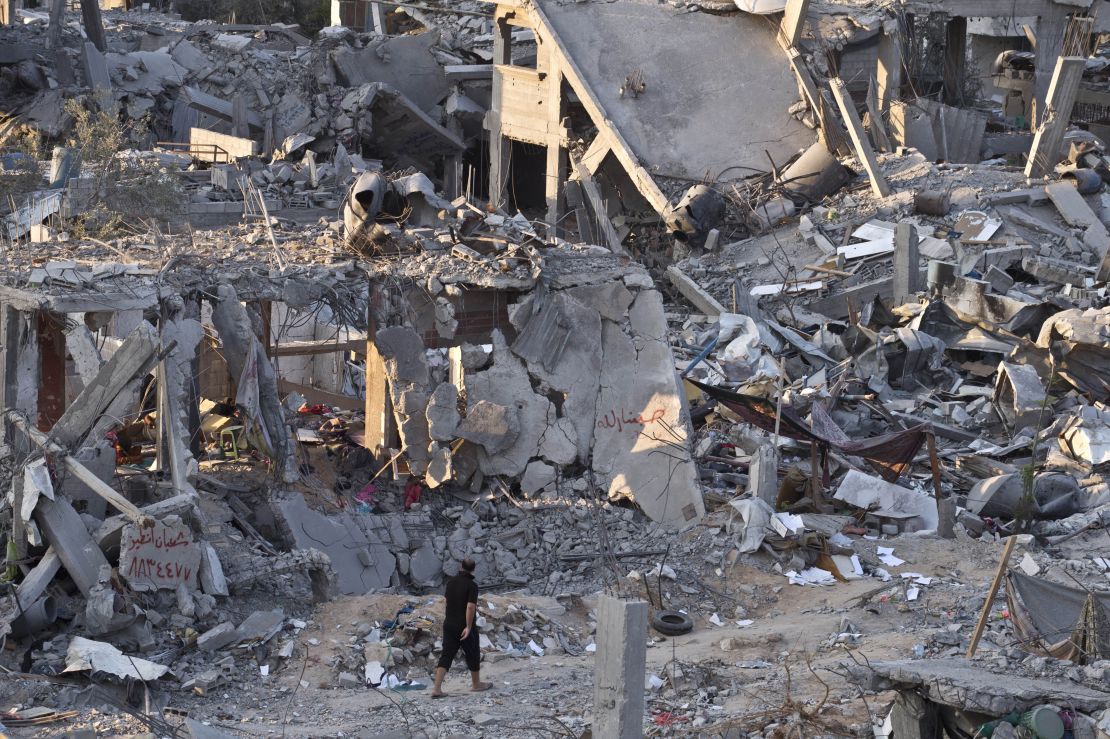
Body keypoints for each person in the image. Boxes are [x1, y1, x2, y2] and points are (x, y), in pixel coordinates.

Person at [430, 558, 492, 698]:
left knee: (446, 655)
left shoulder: (450, 583)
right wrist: (468, 627)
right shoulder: (472, 586)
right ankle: (476, 684)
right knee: (473, 654)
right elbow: (470, 607)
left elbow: (448, 601)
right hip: (463, 626)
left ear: (460, 567)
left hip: (449, 624)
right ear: (473, 569)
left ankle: (437, 689)